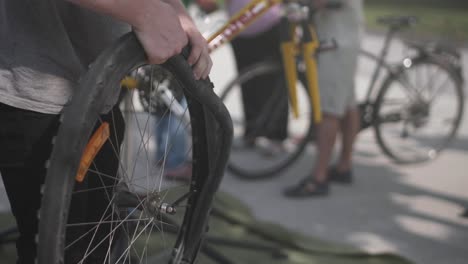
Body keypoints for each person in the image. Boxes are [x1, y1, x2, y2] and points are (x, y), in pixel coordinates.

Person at [0, 0, 212, 262]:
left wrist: (177, 13)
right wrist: (144, 12)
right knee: (58, 249)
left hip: (101, 89)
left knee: (97, 239)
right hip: (37, 100)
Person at [284, 0, 363, 197]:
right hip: (340, 37)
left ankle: (319, 178)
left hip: (336, 42)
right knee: (346, 104)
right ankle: (344, 165)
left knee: (329, 109)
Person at [197, 0, 289, 152]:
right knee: (247, 82)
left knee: (274, 81)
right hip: (239, 25)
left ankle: (277, 135)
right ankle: (251, 132)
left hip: (268, 22)